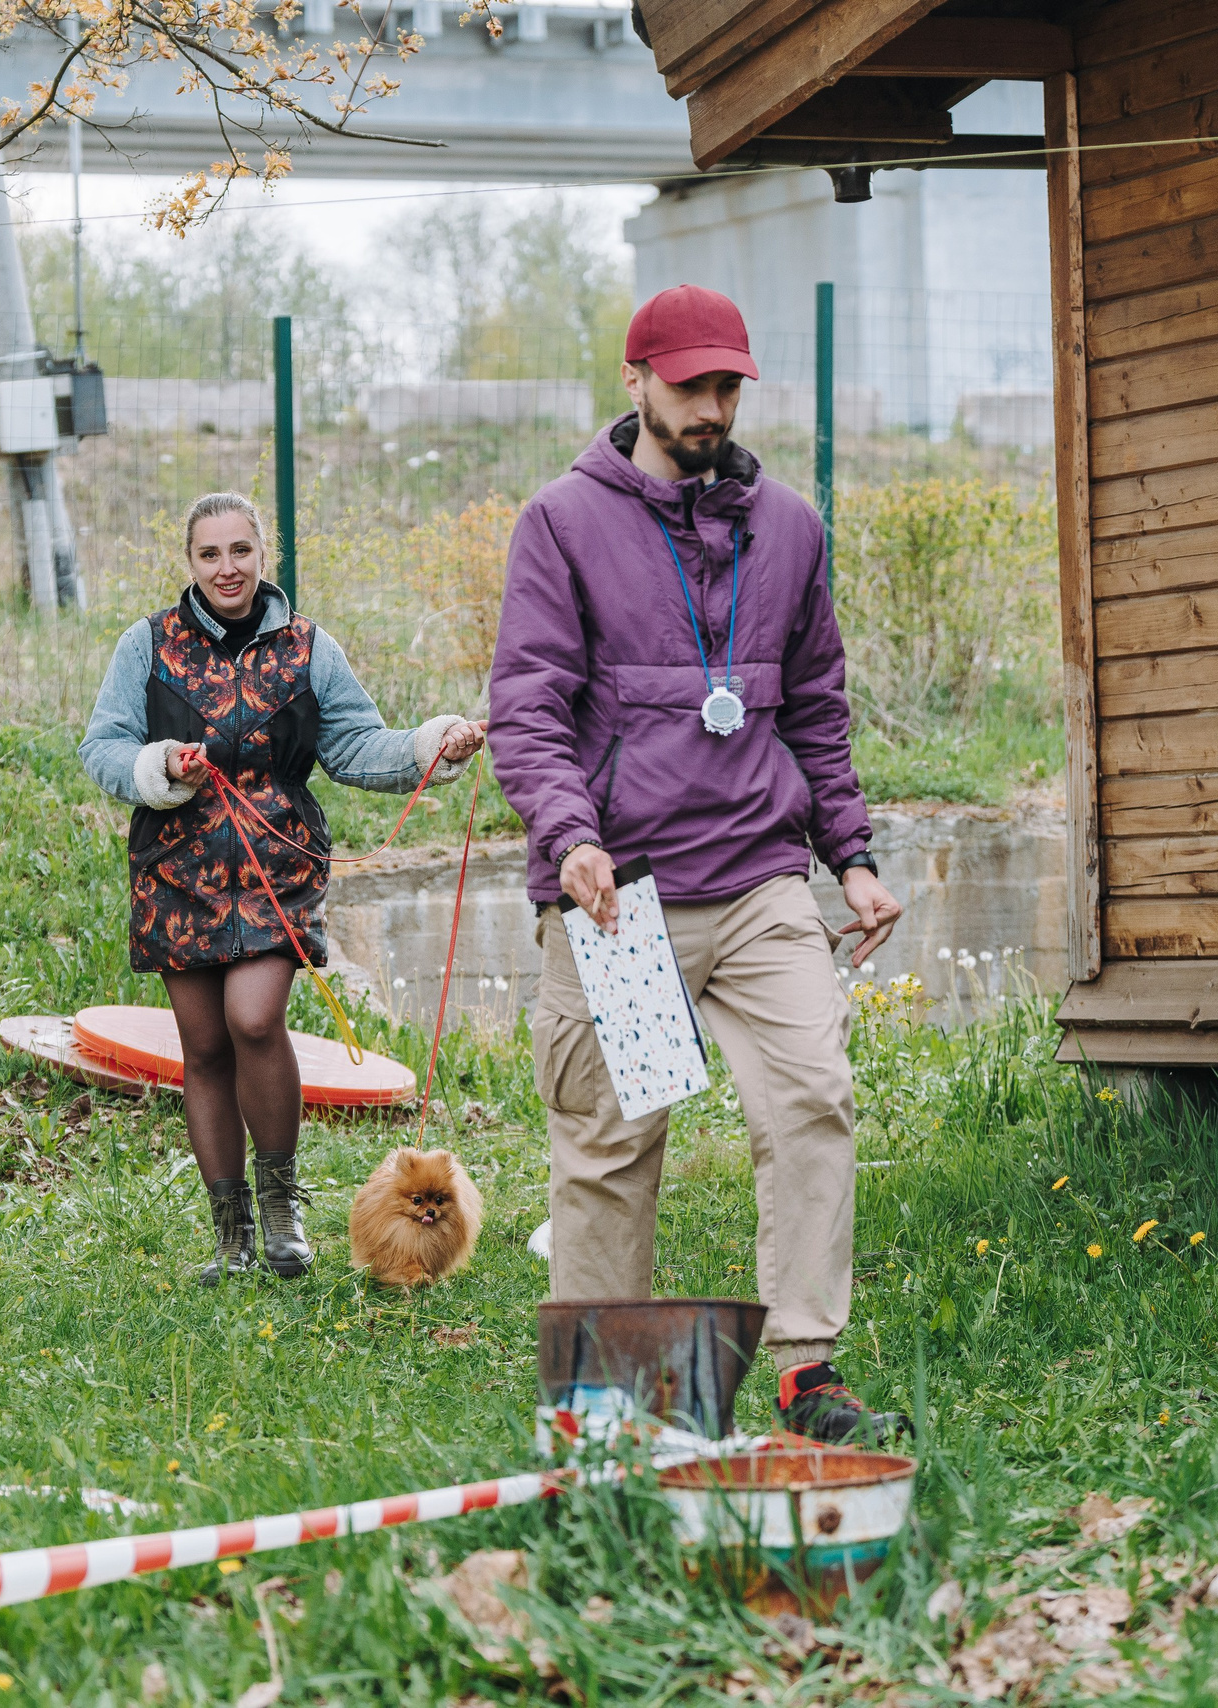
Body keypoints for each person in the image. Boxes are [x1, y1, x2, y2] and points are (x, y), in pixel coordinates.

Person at [488, 285, 909, 1444]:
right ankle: (608, 1404)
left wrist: (851, 859)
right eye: (691, 385)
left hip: (764, 879)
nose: (713, 406)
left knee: (813, 1098)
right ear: (635, 382)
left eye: (728, 385)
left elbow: (815, 708)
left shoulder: (790, 528)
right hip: (623, 891)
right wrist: (572, 836)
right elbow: (527, 708)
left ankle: (803, 1370)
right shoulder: (563, 523)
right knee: (618, 1141)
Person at [81, 492, 486, 1284]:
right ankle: (230, 1235)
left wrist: (434, 740)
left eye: (241, 550)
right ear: (189, 562)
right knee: (202, 1047)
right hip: (176, 869)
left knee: (253, 1020)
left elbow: (358, 746)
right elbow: (102, 748)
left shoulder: (309, 648)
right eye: (209, 553)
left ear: (264, 556)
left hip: (278, 866)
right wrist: (159, 765)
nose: (226, 567)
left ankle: (280, 1211)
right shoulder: (147, 646)